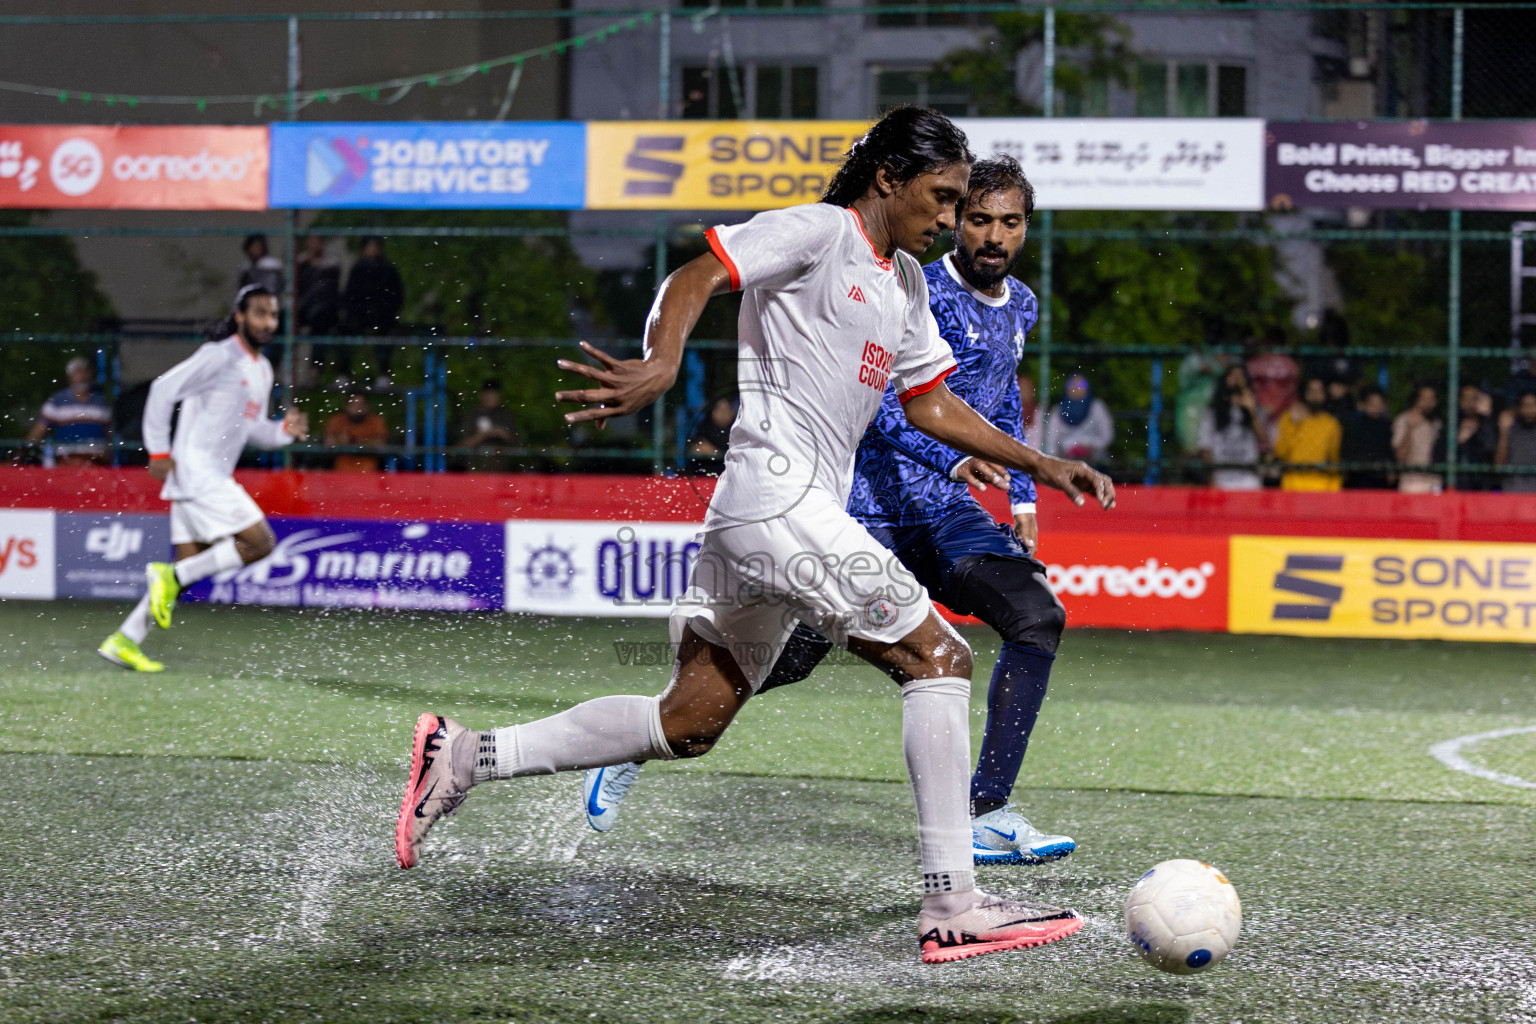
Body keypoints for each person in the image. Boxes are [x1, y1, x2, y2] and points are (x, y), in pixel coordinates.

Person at [393, 108, 1115, 965]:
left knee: (688, 720)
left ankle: (465, 755)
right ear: (889, 178)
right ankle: (954, 902)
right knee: (940, 657)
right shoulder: (819, 231)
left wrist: (1040, 463)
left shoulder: (906, 283)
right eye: (944, 197)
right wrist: (663, 359)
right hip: (776, 501)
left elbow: (930, 404)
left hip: (767, 519)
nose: (953, 219)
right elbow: (697, 273)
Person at [586, 156, 1077, 868]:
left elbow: (1002, 401)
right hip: (861, 509)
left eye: (1010, 222)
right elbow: (880, 405)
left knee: (1036, 617)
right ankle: (644, 734)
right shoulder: (914, 285)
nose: (993, 235)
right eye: (977, 218)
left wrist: (1024, 493)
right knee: (776, 664)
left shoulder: (1021, 304)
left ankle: (987, 811)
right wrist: (950, 458)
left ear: (1027, 227)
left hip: (944, 514)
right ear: (954, 220)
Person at [97, 285, 308, 673]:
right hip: (199, 474)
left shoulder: (262, 369)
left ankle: (124, 640)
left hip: (201, 478)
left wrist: (283, 432)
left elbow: (253, 428)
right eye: (260, 313)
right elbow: (162, 389)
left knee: (189, 568)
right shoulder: (219, 355)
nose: (269, 322)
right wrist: (158, 451)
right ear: (240, 316)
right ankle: (168, 577)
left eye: (274, 315)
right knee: (260, 542)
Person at [26, 356, 112, 467]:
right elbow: (39, 430)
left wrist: (109, 456)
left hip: (96, 463)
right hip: (67, 463)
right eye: (77, 372)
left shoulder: (101, 403)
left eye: (85, 371)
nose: (82, 376)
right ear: (70, 376)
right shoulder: (57, 401)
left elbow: (108, 434)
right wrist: (23, 453)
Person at [343, 236, 405, 389]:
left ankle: (384, 372)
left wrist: (386, 310)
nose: (371, 250)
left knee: (385, 334)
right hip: (360, 316)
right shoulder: (357, 269)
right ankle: (343, 372)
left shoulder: (387, 269)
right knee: (343, 331)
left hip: (382, 316)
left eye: (374, 247)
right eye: (369, 247)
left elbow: (396, 295)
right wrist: (355, 312)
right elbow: (350, 295)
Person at [1197, 364, 1266, 490]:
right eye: (1233, 375)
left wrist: (1252, 412)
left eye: (1240, 376)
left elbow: (1263, 438)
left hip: (1248, 478)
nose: (1237, 379)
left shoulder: (1255, 409)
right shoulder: (1212, 412)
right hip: (1221, 478)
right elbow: (1206, 447)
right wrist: (1211, 479)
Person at [1273, 376, 1342, 491]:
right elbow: (1281, 453)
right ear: (1304, 393)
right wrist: (1294, 425)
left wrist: (1334, 488)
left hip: (1321, 487)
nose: (1315, 395)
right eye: (1311, 391)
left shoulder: (1331, 423)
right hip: (1292, 485)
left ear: (1325, 394)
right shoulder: (1289, 418)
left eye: (1319, 391)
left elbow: (1334, 461)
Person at [295, 235, 343, 382]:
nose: (313, 245)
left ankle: (315, 370)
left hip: (325, 311)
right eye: (310, 241)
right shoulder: (300, 262)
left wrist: (314, 265)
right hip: (304, 309)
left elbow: (331, 289)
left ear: (322, 244)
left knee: (321, 327)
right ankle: (276, 367)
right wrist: (305, 266)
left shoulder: (331, 263)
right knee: (284, 323)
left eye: (316, 241)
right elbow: (296, 286)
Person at [1043, 373, 1113, 464]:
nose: (1076, 388)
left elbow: (1107, 436)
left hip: (1094, 460)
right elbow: (1051, 440)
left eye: (1082, 385)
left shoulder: (1097, 407)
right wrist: (1053, 462)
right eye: (1072, 385)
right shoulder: (1058, 410)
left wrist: (1089, 445)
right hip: (1065, 460)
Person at [456, 379, 520, 472]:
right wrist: (483, 435)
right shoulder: (472, 415)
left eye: (493, 394)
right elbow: (462, 444)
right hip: (476, 468)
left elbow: (516, 442)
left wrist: (502, 433)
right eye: (488, 394)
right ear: (481, 395)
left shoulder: (506, 415)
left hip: (502, 470)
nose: (490, 397)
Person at [1339, 386, 1396, 489]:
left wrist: (1391, 471)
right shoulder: (1353, 425)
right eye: (1372, 403)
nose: (1377, 406)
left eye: (1380, 403)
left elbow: (1389, 451)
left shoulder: (1387, 426)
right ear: (1363, 404)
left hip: (1380, 479)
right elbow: (1346, 450)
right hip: (1357, 478)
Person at [1393, 383, 1443, 494]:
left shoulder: (1437, 423)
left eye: (1431, 398)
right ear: (1416, 400)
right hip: (1412, 484)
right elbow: (1400, 457)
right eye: (1424, 398)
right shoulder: (1404, 420)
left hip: (1434, 484)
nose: (1428, 402)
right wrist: (1410, 428)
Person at [1245, 329, 1299, 431]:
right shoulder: (1254, 363)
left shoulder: (1290, 364)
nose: (1271, 343)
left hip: (1283, 414)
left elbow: (1292, 390)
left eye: (1273, 340)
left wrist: (1277, 406)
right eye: (1269, 340)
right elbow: (1249, 387)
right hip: (1257, 413)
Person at [323, 392, 389, 472]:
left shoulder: (376, 421)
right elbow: (329, 442)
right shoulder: (336, 420)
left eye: (361, 404)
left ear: (367, 406)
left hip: (369, 470)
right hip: (340, 470)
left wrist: (354, 441)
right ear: (346, 406)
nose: (358, 408)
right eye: (354, 404)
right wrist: (340, 441)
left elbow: (380, 443)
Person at [1454, 384, 1498, 491]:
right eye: (1466, 399)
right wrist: (1458, 442)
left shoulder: (1489, 424)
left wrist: (1487, 418)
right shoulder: (1451, 425)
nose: (1470, 403)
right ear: (1460, 401)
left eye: (1474, 399)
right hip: (1458, 488)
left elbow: (1492, 450)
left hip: (1482, 489)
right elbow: (1439, 458)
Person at [685, 397, 737, 475]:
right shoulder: (704, 427)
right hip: (704, 473)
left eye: (727, 410)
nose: (724, 413)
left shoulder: (737, 430)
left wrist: (716, 452)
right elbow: (695, 448)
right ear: (713, 412)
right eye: (720, 410)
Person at [1496, 391, 1536, 493]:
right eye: (1526, 405)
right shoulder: (1511, 431)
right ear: (1519, 408)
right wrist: (1504, 433)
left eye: (1533, 405)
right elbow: (1499, 466)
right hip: (1513, 492)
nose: (1530, 409)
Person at [1016, 373, 1044, 449]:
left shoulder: (1040, 413)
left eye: (1027, 388)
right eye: (1021, 388)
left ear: (1033, 391)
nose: (1024, 391)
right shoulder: (1008, 414)